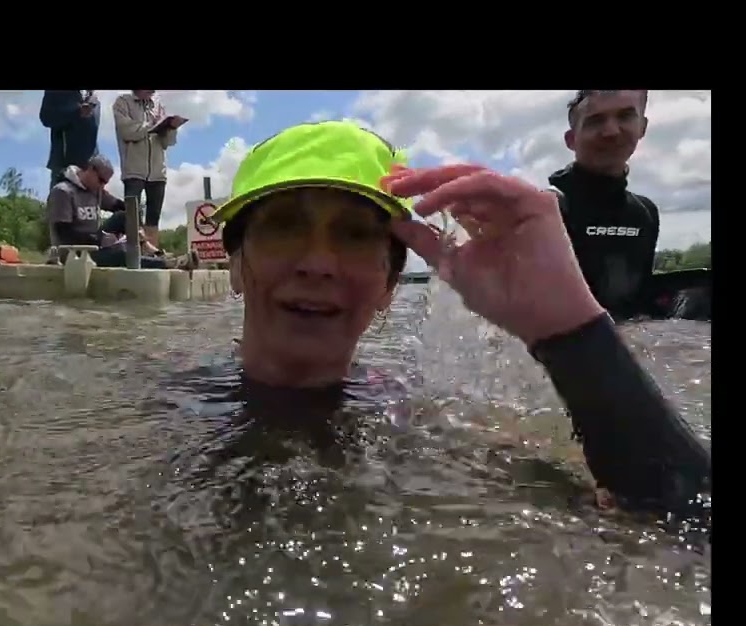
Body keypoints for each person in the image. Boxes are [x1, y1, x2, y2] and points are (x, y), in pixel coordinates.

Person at [208, 120, 710, 519]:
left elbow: (681, 521)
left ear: (388, 285)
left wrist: (569, 329)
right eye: (283, 227)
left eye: (354, 234)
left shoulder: (418, 423)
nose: (317, 263)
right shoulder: (172, 410)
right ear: (235, 264)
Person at [46, 155, 169, 270]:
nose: (102, 186)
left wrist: (138, 227)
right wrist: (100, 239)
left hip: (95, 245)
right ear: (90, 170)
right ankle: (167, 264)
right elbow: (64, 233)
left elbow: (119, 206)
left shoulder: (95, 190)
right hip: (73, 252)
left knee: (125, 216)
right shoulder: (63, 192)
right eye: (101, 180)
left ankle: (148, 249)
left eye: (105, 183)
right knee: (120, 254)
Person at [113, 91, 188, 246]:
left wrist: (171, 128)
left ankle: (152, 256)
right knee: (133, 217)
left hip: (158, 171)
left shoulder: (158, 104)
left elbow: (168, 143)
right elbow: (126, 131)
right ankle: (134, 257)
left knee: (153, 219)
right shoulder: (122, 102)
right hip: (133, 170)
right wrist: (152, 126)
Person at [40, 90, 101, 193]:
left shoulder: (93, 98)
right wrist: (77, 112)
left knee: (88, 207)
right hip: (64, 167)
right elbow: (46, 117)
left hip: (89, 170)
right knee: (61, 205)